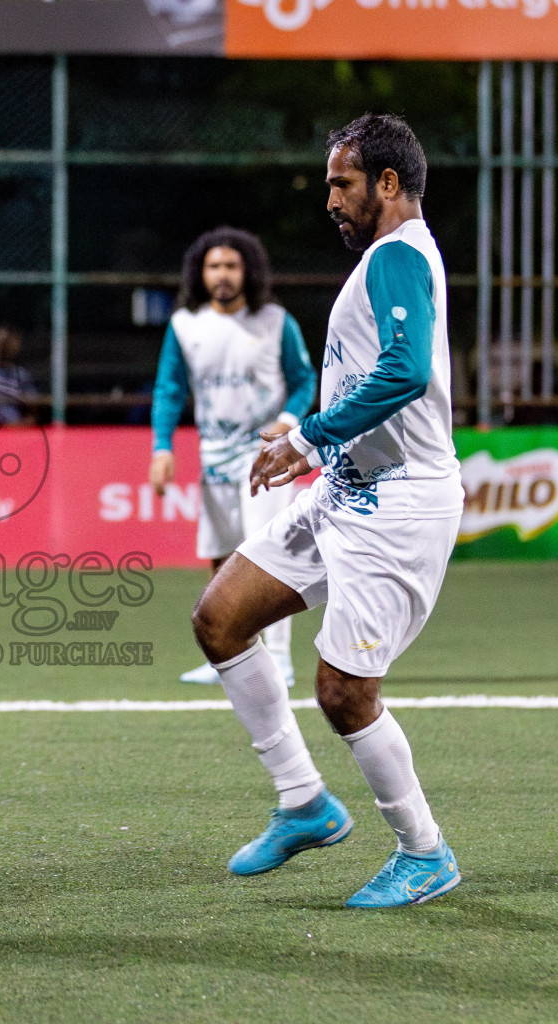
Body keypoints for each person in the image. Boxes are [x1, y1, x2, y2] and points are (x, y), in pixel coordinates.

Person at [189, 114, 463, 908]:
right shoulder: (386, 261)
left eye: (342, 184)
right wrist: (311, 429)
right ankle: (304, 801)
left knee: (344, 691)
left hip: (399, 506)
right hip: (347, 491)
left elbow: (407, 374)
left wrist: (308, 438)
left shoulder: (400, 255)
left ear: (386, 183)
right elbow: (371, 374)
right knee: (222, 617)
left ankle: (425, 851)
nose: (331, 200)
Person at [150, 228, 315, 687]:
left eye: (231, 266)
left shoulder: (275, 321)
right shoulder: (186, 324)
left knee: (268, 551)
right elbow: (169, 388)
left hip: (265, 455)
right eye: (214, 266)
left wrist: (285, 422)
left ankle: (278, 657)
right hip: (213, 456)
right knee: (222, 558)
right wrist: (162, 447)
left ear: (248, 271)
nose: (223, 275)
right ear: (200, 274)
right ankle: (232, 653)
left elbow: (304, 379)